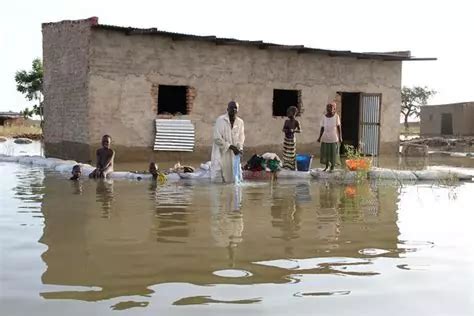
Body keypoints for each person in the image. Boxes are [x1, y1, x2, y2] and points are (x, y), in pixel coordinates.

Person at [211, 101, 245, 183]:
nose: (233, 109)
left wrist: (239, 148)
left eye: (235, 108)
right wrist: (231, 147)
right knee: (219, 177)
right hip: (221, 152)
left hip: (234, 154)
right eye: (231, 107)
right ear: (227, 109)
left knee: (234, 178)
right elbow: (217, 138)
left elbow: (241, 137)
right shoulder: (220, 120)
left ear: (238, 110)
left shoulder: (240, 122)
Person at [317, 102, 342, 172]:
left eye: (331, 107)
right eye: (328, 107)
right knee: (326, 153)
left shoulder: (336, 116)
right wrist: (319, 137)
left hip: (333, 138)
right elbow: (322, 128)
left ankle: (332, 167)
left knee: (333, 153)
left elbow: (339, 128)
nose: (329, 109)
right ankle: (327, 166)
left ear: (334, 109)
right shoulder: (324, 117)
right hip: (325, 138)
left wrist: (340, 137)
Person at [282, 106, 301, 170]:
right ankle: (285, 166)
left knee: (291, 154)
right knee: (285, 153)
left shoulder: (296, 122)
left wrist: (294, 130)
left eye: (289, 112)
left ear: (294, 113)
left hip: (292, 139)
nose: (288, 114)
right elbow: (283, 129)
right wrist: (286, 130)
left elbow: (300, 130)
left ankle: (292, 167)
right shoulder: (286, 121)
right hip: (286, 139)